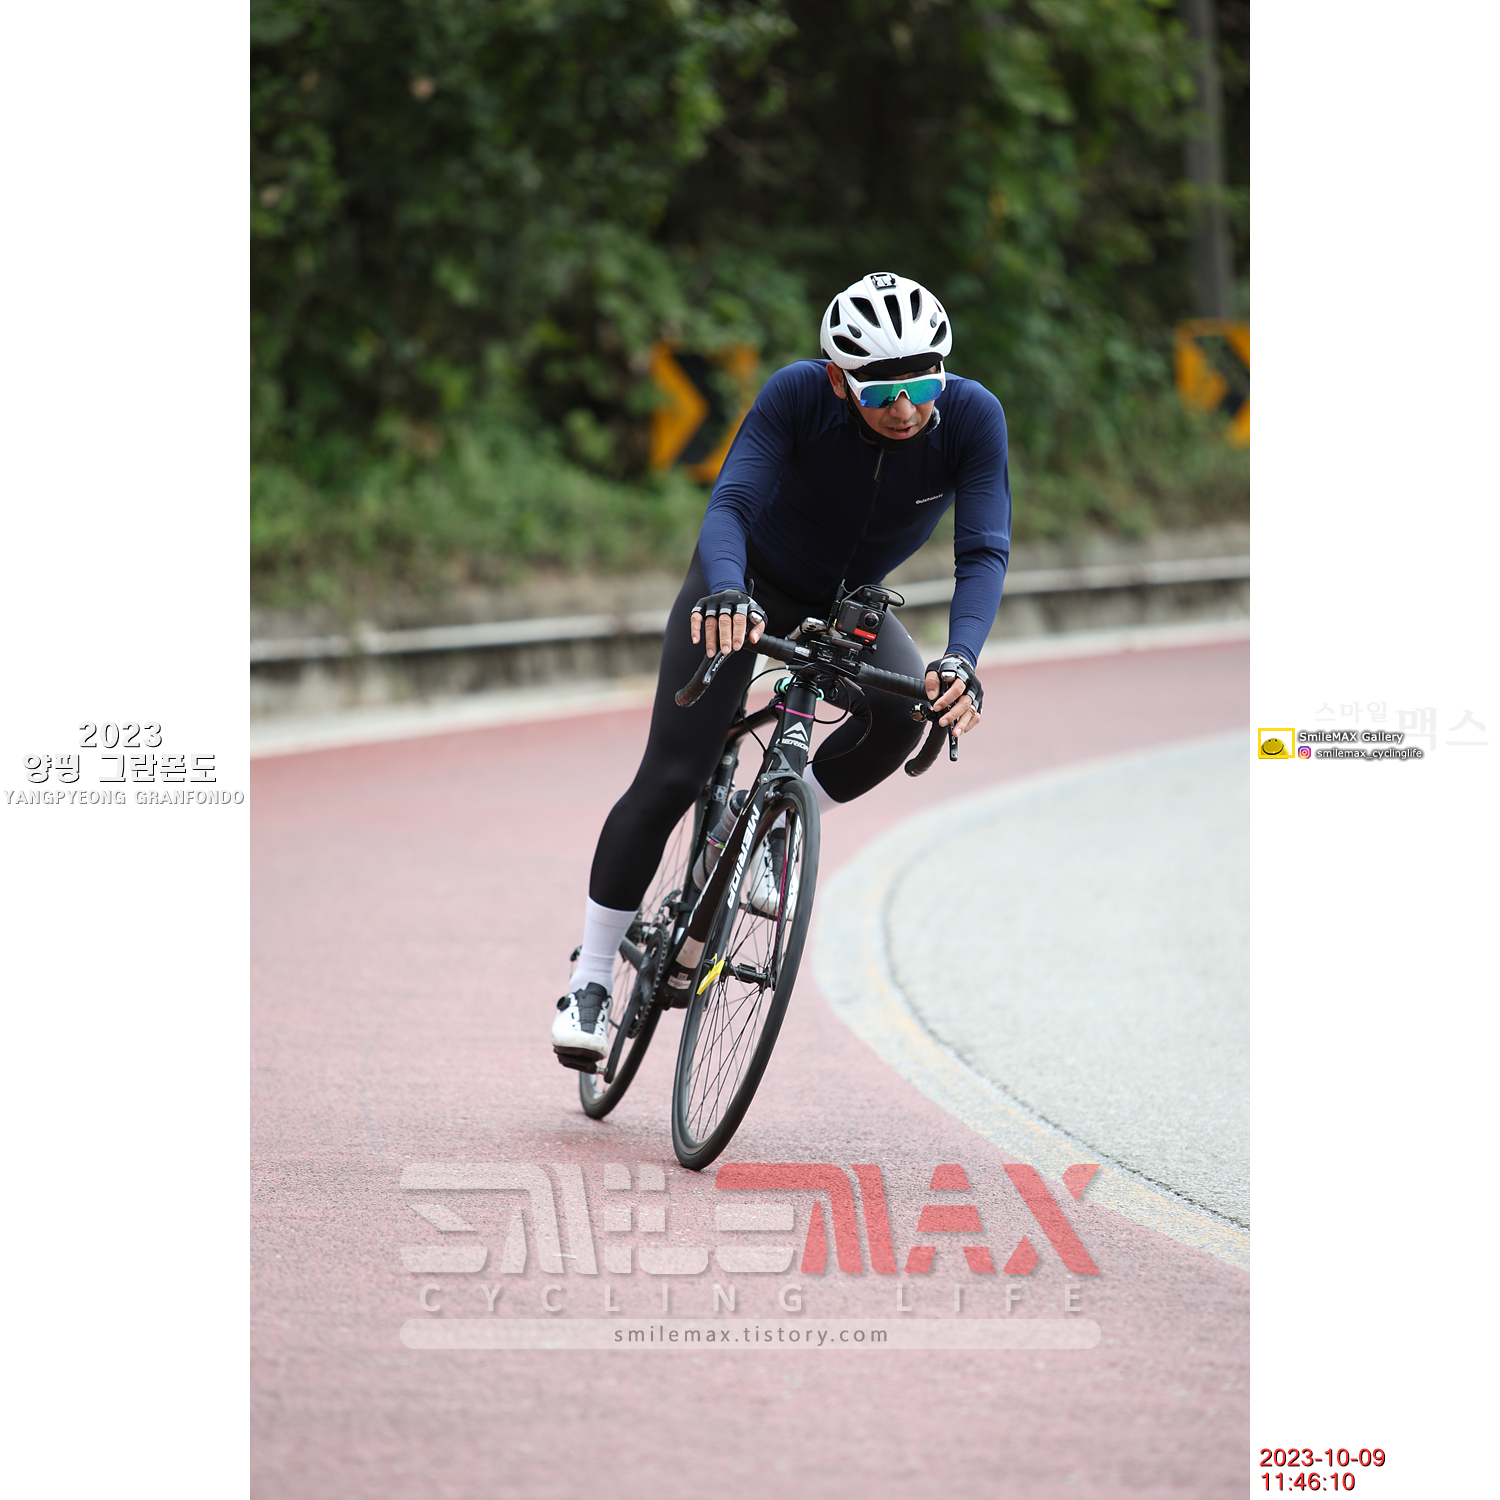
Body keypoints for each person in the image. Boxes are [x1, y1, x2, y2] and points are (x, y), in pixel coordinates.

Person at [551, 271, 1011, 1065]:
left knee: (902, 714)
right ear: (838, 380)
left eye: (924, 382)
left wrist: (961, 660)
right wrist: (728, 591)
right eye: (882, 391)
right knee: (672, 775)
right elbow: (730, 505)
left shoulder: (972, 417)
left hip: (852, 605)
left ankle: (765, 824)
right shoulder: (797, 394)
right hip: (748, 583)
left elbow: (984, 551)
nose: (906, 407)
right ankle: (590, 982)